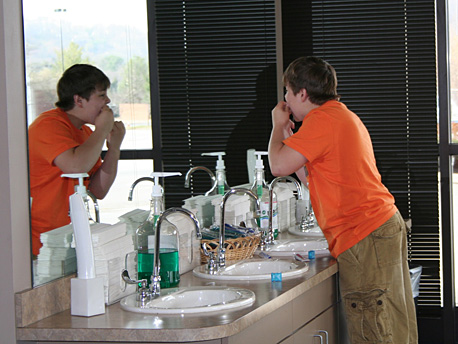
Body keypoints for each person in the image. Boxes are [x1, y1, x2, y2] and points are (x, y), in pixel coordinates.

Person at [268, 56, 417, 343]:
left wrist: (277, 127)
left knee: (374, 327)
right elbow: (315, 180)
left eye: (287, 91)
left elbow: (276, 166)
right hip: (380, 226)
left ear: (302, 93)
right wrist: (293, 142)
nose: (285, 99)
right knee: (394, 325)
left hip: (364, 235)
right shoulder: (340, 116)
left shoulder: (322, 121)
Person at [28, 64, 126, 256]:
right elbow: (75, 167)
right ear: (79, 100)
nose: (107, 101)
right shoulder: (48, 125)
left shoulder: (86, 133)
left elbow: (98, 190)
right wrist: (102, 130)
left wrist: (114, 148)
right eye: (101, 95)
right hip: (42, 243)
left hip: (69, 238)